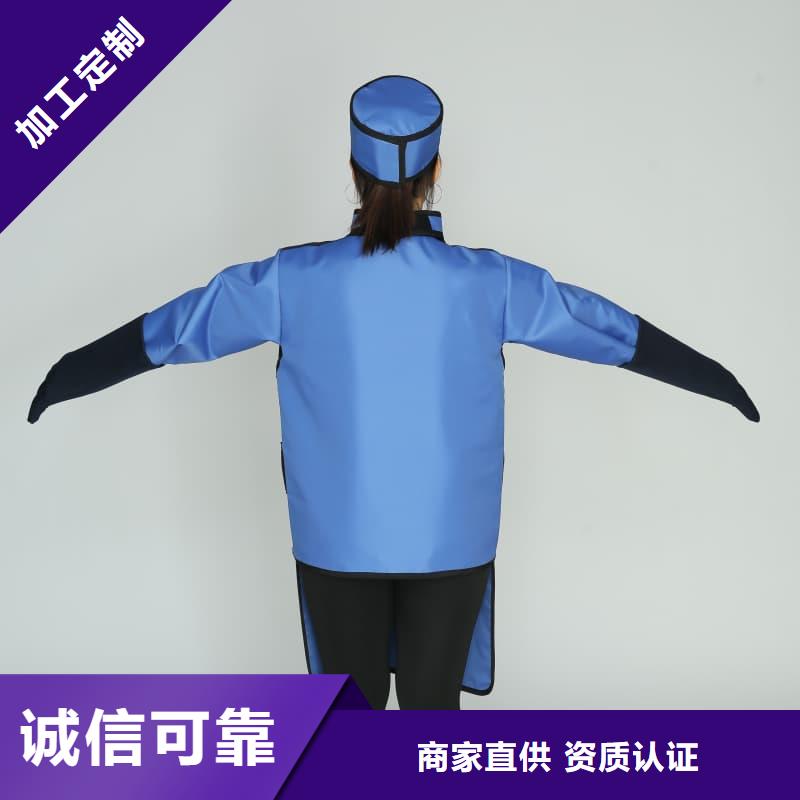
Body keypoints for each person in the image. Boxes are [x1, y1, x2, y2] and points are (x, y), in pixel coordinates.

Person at [27, 74, 760, 710]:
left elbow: (173, 331)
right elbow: (605, 330)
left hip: (338, 535)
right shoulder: (490, 281)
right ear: (436, 169)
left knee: (349, 717)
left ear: (353, 169)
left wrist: (68, 373)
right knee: (432, 711)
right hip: (451, 534)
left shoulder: (292, 279)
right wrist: (713, 376)